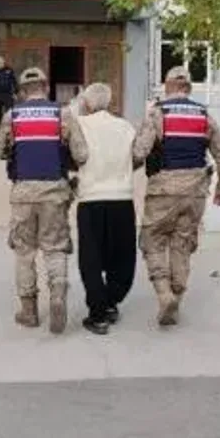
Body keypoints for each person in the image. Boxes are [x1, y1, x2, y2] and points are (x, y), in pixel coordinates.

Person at [132, 66, 220, 326]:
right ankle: (176, 295)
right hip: (196, 191)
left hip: (163, 190)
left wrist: (127, 165)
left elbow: (139, 152)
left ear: (167, 86)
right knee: (183, 243)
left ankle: (164, 293)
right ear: (188, 87)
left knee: (153, 240)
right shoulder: (204, 115)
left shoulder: (157, 113)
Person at [0, 67, 88, 334]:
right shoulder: (63, 114)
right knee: (55, 247)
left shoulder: (11, 115)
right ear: (45, 87)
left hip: (23, 193)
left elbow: (2, 150)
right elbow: (82, 155)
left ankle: (29, 312)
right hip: (55, 191)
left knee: (24, 252)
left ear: (23, 91)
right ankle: (57, 294)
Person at [72, 83, 139, 335]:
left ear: (87, 103)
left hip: (91, 198)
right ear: (109, 102)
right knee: (121, 257)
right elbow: (137, 156)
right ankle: (111, 300)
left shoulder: (79, 124)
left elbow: (74, 155)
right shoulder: (125, 127)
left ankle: (98, 314)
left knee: (91, 259)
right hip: (122, 198)